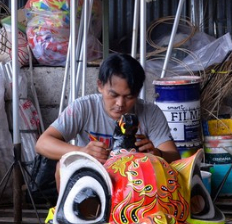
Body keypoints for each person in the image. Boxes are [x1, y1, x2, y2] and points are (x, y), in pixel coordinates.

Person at [35, 53, 179, 166]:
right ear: (100, 85)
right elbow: (42, 143)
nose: (120, 103)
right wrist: (82, 152)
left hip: (135, 180)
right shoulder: (84, 107)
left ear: (138, 92)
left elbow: (174, 156)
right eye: (113, 95)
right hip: (94, 175)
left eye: (129, 96)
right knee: (62, 167)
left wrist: (158, 154)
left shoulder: (151, 113)